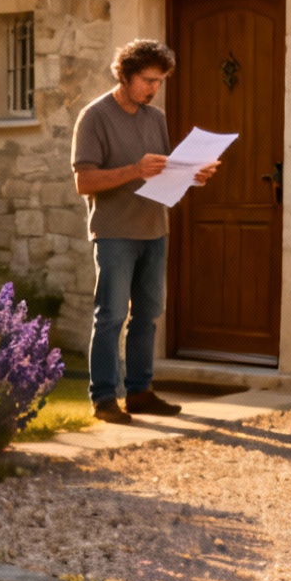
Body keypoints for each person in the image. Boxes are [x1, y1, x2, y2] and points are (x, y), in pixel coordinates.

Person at [71, 39, 217, 425]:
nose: (153, 88)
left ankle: (139, 392)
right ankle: (104, 398)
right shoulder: (94, 117)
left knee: (147, 315)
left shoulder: (155, 117)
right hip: (115, 232)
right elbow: (84, 181)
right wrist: (134, 170)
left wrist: (194, 175)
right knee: (111, 317)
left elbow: (164, 171)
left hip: (155, 230)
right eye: (148, 80)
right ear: (125, 74)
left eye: (159, 81)